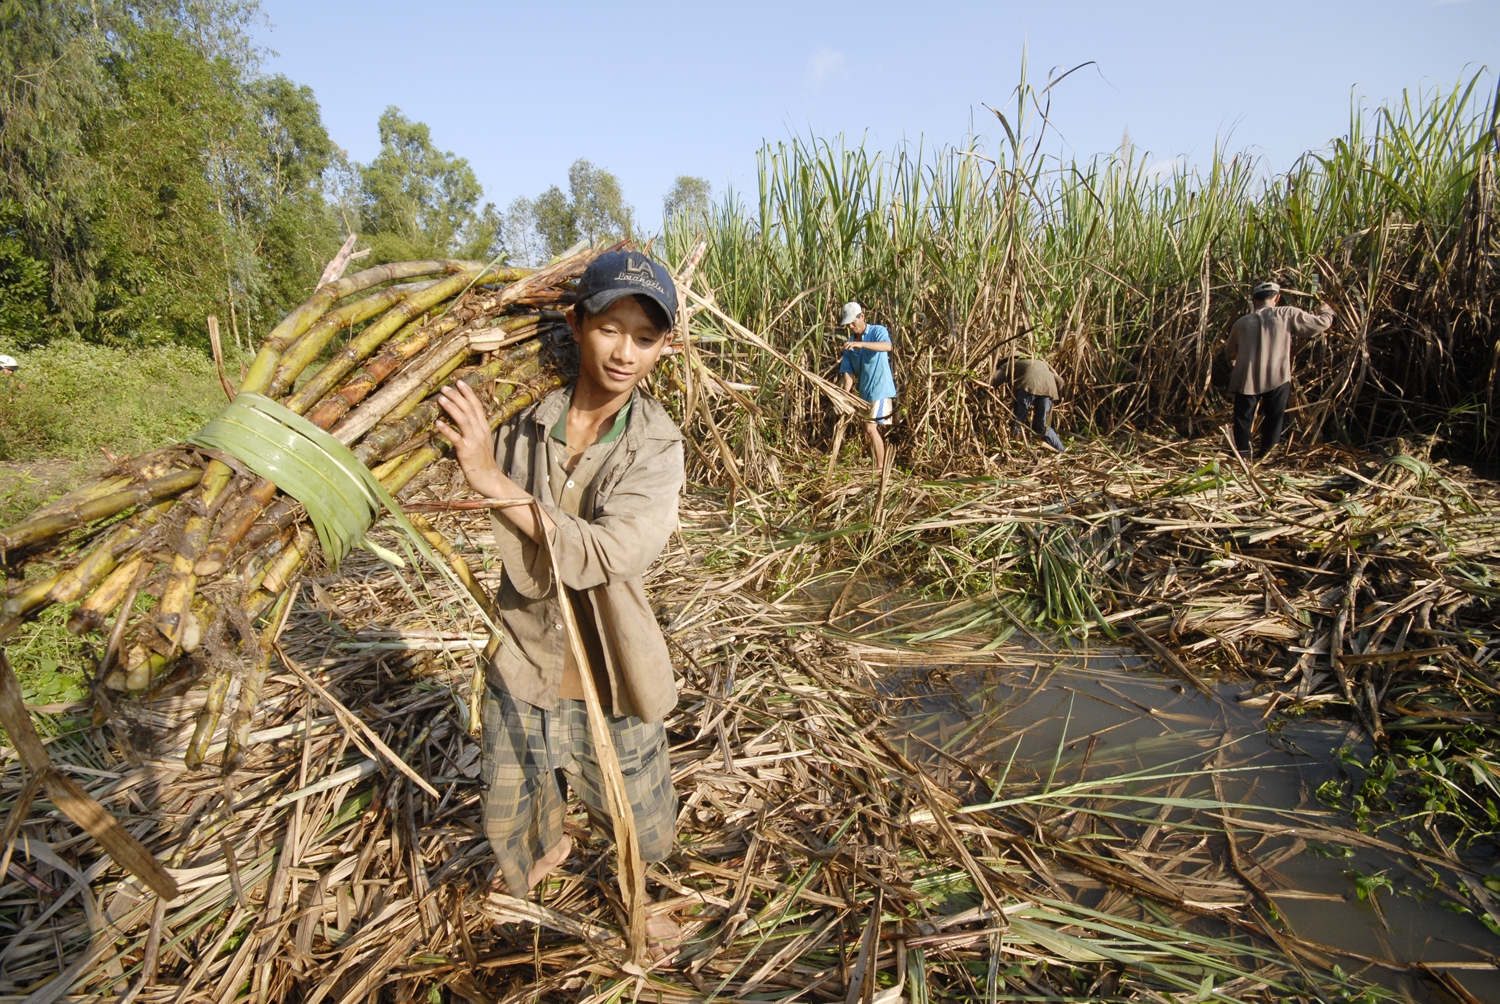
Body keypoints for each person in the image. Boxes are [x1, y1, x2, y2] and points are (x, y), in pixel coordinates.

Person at [435, 250, 684, 910]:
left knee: (640, 821)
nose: (625, 352)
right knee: (516, 799)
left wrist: (492, 482)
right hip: (525, 653)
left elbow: (607, 552)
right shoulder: (521, 414)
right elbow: (446, 419)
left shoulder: (655, 445)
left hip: (612, 668)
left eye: (645, 337)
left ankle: (638, 899)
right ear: (575, 325)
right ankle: (547, 851)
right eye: (610, 328)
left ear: (663, 347)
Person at [1226, 281, 1334, 460]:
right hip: (1277, 376)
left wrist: (1235, 364)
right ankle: (1267, 455)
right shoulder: (1287, 314)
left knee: (1243, 418)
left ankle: (1242, 455)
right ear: (1277, 298)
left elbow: (1230, 351)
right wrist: (1326, 311)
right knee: (1274, 417)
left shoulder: (1242, 323)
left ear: (1254, 300)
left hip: (1246, 377)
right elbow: (1318, 325)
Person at [836, 302, 896, 470]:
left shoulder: (877, 331)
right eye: (848, 323)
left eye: (853, 322)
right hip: (864, 393)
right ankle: (874, 466)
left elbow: (887, 346)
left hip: (880, 389)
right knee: (867, 430)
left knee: (871, 427)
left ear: (862, 316)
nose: (850, 326)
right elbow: (848, 376)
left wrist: (861, 344)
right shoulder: (849, 344)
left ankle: (880, 469)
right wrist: (843, 398)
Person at [996, 355, 1065, 452]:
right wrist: (1060, 397)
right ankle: (1061, 450)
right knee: (1043, 425)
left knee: (1018, 421)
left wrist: (985, 391)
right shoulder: (1038, 363)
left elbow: (995, 380)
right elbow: (1060, 381)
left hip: (1028, 386)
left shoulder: (1009, 363)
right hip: (1049, 389)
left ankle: (1016, 450)